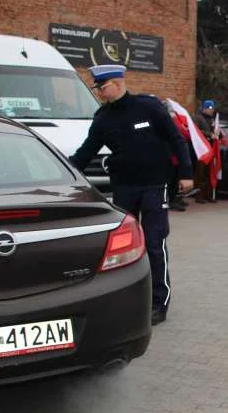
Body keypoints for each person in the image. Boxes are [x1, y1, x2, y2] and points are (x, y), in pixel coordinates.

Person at [69, 65, 192, 327]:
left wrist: (186, 173)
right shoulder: (103, 118)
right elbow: (86, 152)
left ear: (116, 83)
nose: (100, 93)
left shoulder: (148, 107)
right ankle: (127, 299)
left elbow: (176, 139)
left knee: (153, 243)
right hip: (124, 188)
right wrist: (62, 172)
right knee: (123, 247)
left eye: (102, 88)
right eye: (97, 89)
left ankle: (159, 302)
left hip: (154, 185)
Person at [192, 100, 219, 203]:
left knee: (209, 172)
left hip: (210, 148)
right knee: (200, 173)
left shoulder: (212, 119)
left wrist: (217, 133)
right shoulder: (198, 118)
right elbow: (196, 131)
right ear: (204, 108)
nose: (211, 111)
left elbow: (215, 132)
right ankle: (199, 196)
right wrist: (209, 134)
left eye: (212, 109)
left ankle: (208, 194)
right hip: (202, 149)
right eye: (210, 108)